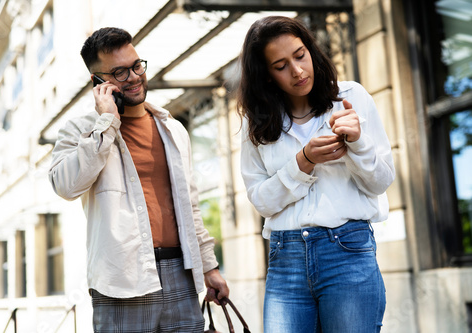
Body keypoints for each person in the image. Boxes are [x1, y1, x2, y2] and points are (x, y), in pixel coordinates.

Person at [49, 27, 229, 332]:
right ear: (98, 82)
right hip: (122, 281)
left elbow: (190, 206)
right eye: (120, 72)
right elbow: (66, 186)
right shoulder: (80, 132)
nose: (134, 77)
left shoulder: (172, 129)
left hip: (182, 275)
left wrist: (209, 266)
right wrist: (106, 122)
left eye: (136, 65)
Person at [237, 16, 395, 333]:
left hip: (347, 251)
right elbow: (262, 202)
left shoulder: (351, 98)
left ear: (311, 50)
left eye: (300, 55)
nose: (297, 71)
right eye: (280, 65)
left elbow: (381, 181)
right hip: (286, 257)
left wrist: (359, 142)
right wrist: (303, 162)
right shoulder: (257, 123)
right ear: (265, 75)